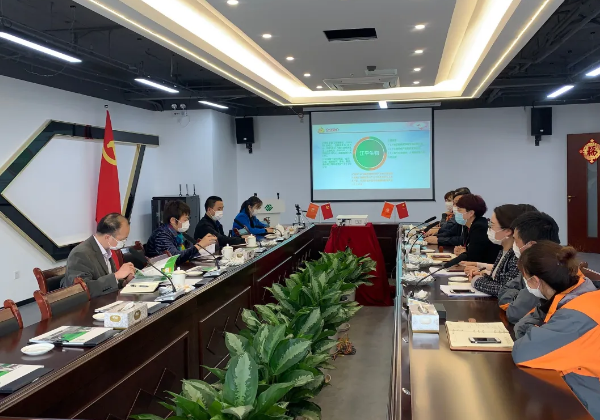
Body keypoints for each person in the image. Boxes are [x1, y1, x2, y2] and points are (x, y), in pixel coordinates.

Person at [512, 242, 600, 419]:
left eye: (526, 279)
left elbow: (524, 351)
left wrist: (537, 328)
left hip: (587, 403)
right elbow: (522, 327)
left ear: (535, 281)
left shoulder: (576, 316)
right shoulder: (576, 292)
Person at [498, 211, 560, 323]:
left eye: (516, 240)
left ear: (532, 246)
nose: (513, 245)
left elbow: (515, 313)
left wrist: (517, 298)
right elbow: (504, 289)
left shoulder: (544, 272)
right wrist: (517, 297)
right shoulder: (533, 265)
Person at [465, 204, 536, 296]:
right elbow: (497, 280)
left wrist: (477, 281)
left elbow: (505, 289)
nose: (488, 228)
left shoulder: (516, 255)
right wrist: (482, 276)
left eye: (491, 225)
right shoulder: (503, 250)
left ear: (508, 231)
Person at [63, 213, 136, 298]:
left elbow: (107, 281)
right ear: (107, 237)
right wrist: (116, 275)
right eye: (122, 240)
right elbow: (82, 290)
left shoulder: (105, 249)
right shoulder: (80, 254)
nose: (124, 243)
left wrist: (124, 282)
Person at [146, 200, 217, 264]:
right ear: (173, 220)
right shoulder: (161, 235)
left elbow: (188, 251)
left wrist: (203, 245)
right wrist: (199, 245)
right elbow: (175, 258)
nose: (188, 222)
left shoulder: (178, 233)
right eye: (185, 220)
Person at [451, 194, 501, 264]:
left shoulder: (479, 227)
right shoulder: (467, 226)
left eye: (459, 210)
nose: (456, 213)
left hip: (485, 266)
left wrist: (464, 253)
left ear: (471, 213)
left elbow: (473, 257)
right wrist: (461, 251)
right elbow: (468, 250)